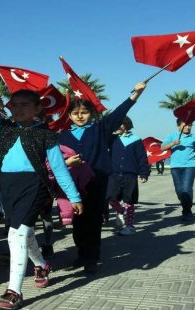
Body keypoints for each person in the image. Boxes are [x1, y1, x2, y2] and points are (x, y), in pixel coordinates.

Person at [0, 72, 83, 310]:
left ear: (37, 108)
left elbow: (60, 169)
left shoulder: (46, 135)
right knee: (24, 232)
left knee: (16, 235)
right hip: (8, 186)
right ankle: (41, 264)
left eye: (24, 105)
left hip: (35, 186)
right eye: (14, 106)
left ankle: (14, 291)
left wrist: (74, 196)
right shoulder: (2, 127)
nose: (18, 110)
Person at [58, 82, 147, 273]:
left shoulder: (100, 129)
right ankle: (81, 254)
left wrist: (136, 94)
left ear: (91, 113)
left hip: (97, 183)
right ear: (69, 115)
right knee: (78, 223)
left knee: (93, 221)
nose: (80, 116)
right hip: (73, 186)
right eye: (75, 113)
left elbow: (118, 113)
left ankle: (92, 257)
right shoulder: (62, 136)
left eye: (84, 112)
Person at [107, 117, 150, 236]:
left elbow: (142, 158)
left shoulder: (136, 140)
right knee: (110, 197)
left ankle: (130, 226)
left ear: (125, 125)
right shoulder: (111, 139)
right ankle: (121, 211)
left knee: (129, 200)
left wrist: (144, 173)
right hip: (113, 174)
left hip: (130, 175)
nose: (116, 127)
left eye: (118, 125)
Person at [161, 120, 195, 221]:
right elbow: (162, 148)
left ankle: (187, 211)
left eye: (190, 125)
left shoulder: (194, 137)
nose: (188, 127)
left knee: (187, 188)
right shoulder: (172, 136)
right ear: (178, 126)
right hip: (175, 167)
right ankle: (185, 205)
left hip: (190, 166)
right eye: (185, 126)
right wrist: (173, 143)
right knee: (179, 190)